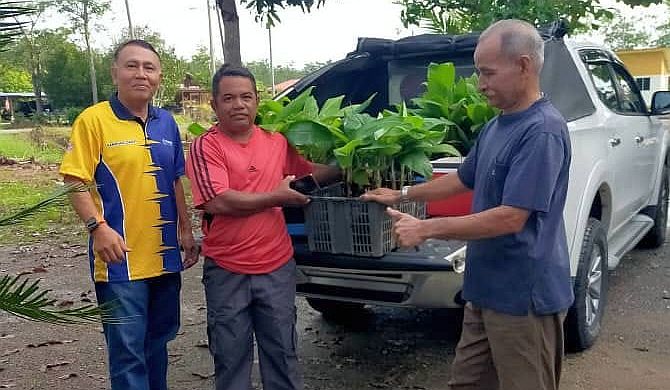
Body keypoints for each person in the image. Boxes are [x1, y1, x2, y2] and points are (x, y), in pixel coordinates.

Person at [362, 19, 574, 390]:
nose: (480, 84)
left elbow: (511, 218)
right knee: (467, 383)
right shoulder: (498, 125)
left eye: (488, 73)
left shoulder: (542, 131)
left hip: (523, 298)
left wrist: (426, 228)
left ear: (523, 66)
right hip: (484, 288)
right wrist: (403, 195)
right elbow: (464, 178)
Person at [186, 64, 338, 390]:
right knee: (230, 357)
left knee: (283, 352)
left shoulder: (276, 142)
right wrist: (276, 197)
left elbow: (308, 173)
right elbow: (219, 202)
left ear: (257, 100)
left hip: (276, 265)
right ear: (214, 104)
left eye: (245, 97)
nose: (238, 105)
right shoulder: (206, 146)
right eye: (228, 98)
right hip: (228, 269)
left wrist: (349, 165)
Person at [59, 39, 198, 390]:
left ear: (159, 76)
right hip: (120, 260)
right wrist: (97, 228)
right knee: (127, 353)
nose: (141, 74)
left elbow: (175, 180)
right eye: (131, 66)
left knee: (159, 343)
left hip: (165, 258)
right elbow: (74, 180)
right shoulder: (94, 120)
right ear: (115, 72)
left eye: (149, 67)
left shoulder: (167, 123)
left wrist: (186, 229)